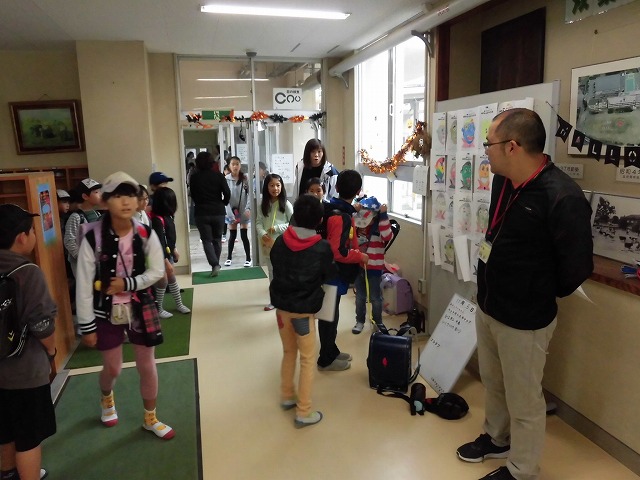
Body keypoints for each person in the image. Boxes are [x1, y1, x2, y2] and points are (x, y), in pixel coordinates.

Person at [456, 109, 593, 480]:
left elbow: (577, 267)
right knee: (494, 382)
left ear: (512, 146)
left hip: (526, 319)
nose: (485, 150)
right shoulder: (503, 181)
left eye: (489, 143)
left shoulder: (561, 196)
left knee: (524, 398)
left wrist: (534, 291)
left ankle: (522, 470)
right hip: (490, 305)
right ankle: (496, 438)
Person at [75, 171, 175, 440]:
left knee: (147, 364)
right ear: (105, 201)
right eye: (118, 195)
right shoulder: (92, 236)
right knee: (113, 367)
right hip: (105, 310)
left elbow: (157, 271)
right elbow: (83, 284)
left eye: (130, 195)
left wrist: (128, 283)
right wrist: (87, 326)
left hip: (141, 306)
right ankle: (106, 397)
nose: (125, 201)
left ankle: (150, 418)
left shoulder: (145, 232)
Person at [269, 194, 337, 428]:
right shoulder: (322, 247)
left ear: (295, 216)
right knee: (307, 359)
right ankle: (303, 411)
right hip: (303, 313)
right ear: (320, 220)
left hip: (281, 310)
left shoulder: (280, 241)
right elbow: (329, 274)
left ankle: (287, 396)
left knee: (289, 352)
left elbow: (276, 267)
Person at [0, 204, 57, 480]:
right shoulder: (27, 271)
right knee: (28, 437)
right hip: (25, 371)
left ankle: (7, 474)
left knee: (4, 430)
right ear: (21, 237)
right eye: (32, 231)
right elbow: (42, 325)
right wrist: (52, 350)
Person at [318, 169, 368, 371]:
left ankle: (331, 350)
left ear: (337, 187)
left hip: (329, 272)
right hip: (332, 274)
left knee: (331, 314)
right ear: (357, 191)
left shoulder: (335, 208)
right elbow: (337, 252)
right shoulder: (341, 216)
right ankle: (325, 359)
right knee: (328, 316)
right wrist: (359, 256)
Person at [351, 196, 393, 334]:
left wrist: (384, 215)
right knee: (360, 296)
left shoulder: (379, 226)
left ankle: (378, 322)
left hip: (374, 266)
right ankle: (360, 321)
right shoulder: (357, 225)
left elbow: (387, 236)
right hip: (358, 265)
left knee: (375, 297)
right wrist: (354, 210)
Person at [149, 187, 191, 318]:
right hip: (160, 256)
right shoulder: (157, 220)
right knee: (163, 281)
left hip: (168, 254)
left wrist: (174, 249)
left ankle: (179, 304)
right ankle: (159, 308)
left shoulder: (168, 216)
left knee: (171, 279)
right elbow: (160, 242)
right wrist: (165, 261)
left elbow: (170, 237)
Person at [189, 151, 231, 277]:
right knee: (217, 239)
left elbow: (193, 195)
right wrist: (223, 202)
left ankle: (214, 264)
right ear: (212, 162)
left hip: (201, 212)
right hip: (218, 211)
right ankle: (215, 264)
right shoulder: (218, 176)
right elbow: (227, 192)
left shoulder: (194, 178)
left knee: (206, 240)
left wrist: (200, 203)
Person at [256, 173, 293, 310]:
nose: (275, 188)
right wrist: (262, 233)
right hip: (267, 243)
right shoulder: (262, 205)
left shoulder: (286, 204)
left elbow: (292, 223)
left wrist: (277, 228)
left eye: (278, 185)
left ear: (282, 186)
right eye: (271, 185)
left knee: (283, 272)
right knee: (271, 272)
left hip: (283, 244)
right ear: (266, 187)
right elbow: (258, 222)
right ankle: (274, 300)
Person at [64, 178, 102, 278]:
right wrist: (82, 257)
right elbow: (69, 241)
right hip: (82, 264)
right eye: (96, 192)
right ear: (85, 196)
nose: (100, 194)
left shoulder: (97, 214)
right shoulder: (76, 217)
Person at [224, 156, 251, 267]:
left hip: (243, 211)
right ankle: (229, 257)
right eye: (233, 164)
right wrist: (230, 214)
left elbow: (250, 195)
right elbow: (224, 198)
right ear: (229, 166)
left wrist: (248, 209)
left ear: (240, 165)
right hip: (231, 211)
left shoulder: (245, 178)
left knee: (244, 235)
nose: (235, 166)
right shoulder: (226, 179)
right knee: (232, 235)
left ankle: (248, 258)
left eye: (237, 164)